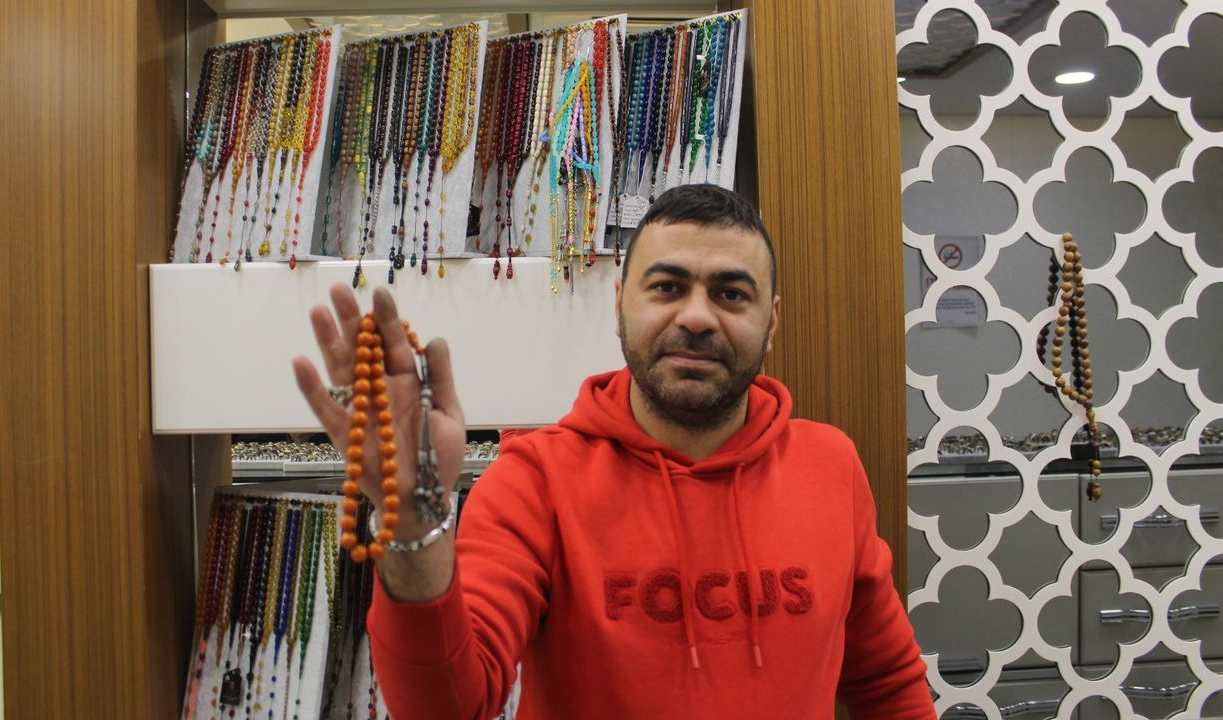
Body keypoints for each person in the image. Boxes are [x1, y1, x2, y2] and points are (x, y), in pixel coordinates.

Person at [294, 184, 935, 719]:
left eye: (731, 294)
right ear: (620, 306)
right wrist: (413, 525)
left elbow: (887, 686)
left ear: (772, 323)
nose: (697, 317)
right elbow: (448, 706)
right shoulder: (535, 479)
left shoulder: (830, 466)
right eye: (667, 287)